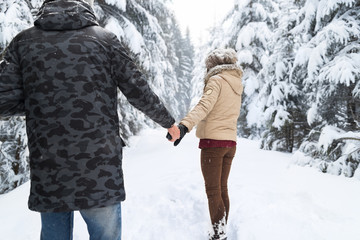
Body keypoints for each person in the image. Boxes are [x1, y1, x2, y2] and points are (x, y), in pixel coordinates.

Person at [0, 0, 180, 239]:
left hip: (50, 167)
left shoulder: (23, 42)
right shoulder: (104, 40)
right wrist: (168, 123)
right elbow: (138, 90)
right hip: (100, 168)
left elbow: (3, 101)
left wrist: (45, 102)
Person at [174, 48, 243, 240]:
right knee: (222, 188)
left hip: (213, 144)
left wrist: (184, 126)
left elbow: (204, 106)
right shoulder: (236, 83)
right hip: (230, 143)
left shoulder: (217, 80)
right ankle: (221, 229)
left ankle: (219, 234)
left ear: (213, 65)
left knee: (213, 191)